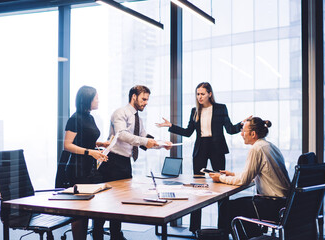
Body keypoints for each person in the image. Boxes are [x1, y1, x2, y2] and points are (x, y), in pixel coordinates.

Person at [156, 82, 250, 233]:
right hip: (201, 149)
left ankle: (223, 228)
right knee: (197, 187)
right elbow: (188, 132)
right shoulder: (195, 110)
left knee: (221, 186)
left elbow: (230, 129)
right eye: (198, 94)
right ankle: (195, 228)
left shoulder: (220, 108)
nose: (199, 97)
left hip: (217, 148)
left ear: (210, 94)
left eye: (202, 94)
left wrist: (242, 124)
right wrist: (171, 126)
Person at [98, 85, 172, 240]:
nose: (145, 102)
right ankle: (97, 235)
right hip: (112, 161)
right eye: (143, 99)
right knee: (105, 203)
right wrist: (146, 141)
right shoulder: (120, 113)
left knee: (119, 202)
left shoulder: (138, 117)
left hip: (125, 162)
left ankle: (116, 235)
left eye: (147, 100)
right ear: (134, 96)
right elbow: (122, 135)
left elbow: (144, 137)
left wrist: (161, 144)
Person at [209, 117, 291, 238]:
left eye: (243, 131)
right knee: (238, 206)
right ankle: (253, 236)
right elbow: (255, 174)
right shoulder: (269, 146)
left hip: (273, 205)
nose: (241, 134)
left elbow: (244, 180)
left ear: (253, 134)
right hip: (283, 203)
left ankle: (240, 237)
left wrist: (220, 178)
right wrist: (232, 174)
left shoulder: (256, 149)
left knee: (227, 207)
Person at [63, 86, 110, 240]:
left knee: (97, 205)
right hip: (78, 169)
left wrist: (101, 144)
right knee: (80, 211)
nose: (98, 100)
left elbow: (86, 140)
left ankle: (97, 235)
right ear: (87, 100)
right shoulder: (75, 118)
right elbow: (68, 145)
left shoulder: (90, 117)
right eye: (96, 97)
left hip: (90, 167)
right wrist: (91, 152)